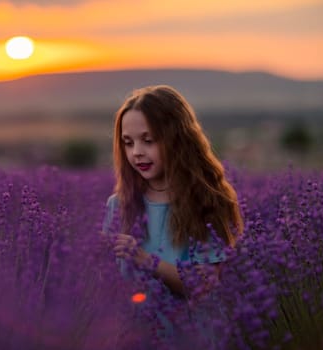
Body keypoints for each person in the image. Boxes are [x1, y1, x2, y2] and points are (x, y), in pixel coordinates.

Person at [101, 85, 243, 345]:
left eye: (149, 140)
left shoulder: (207, 203)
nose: (137, 153)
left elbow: (204, 285)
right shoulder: (118, 206)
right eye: (128, 143)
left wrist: (145, 259)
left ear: (178, 138)